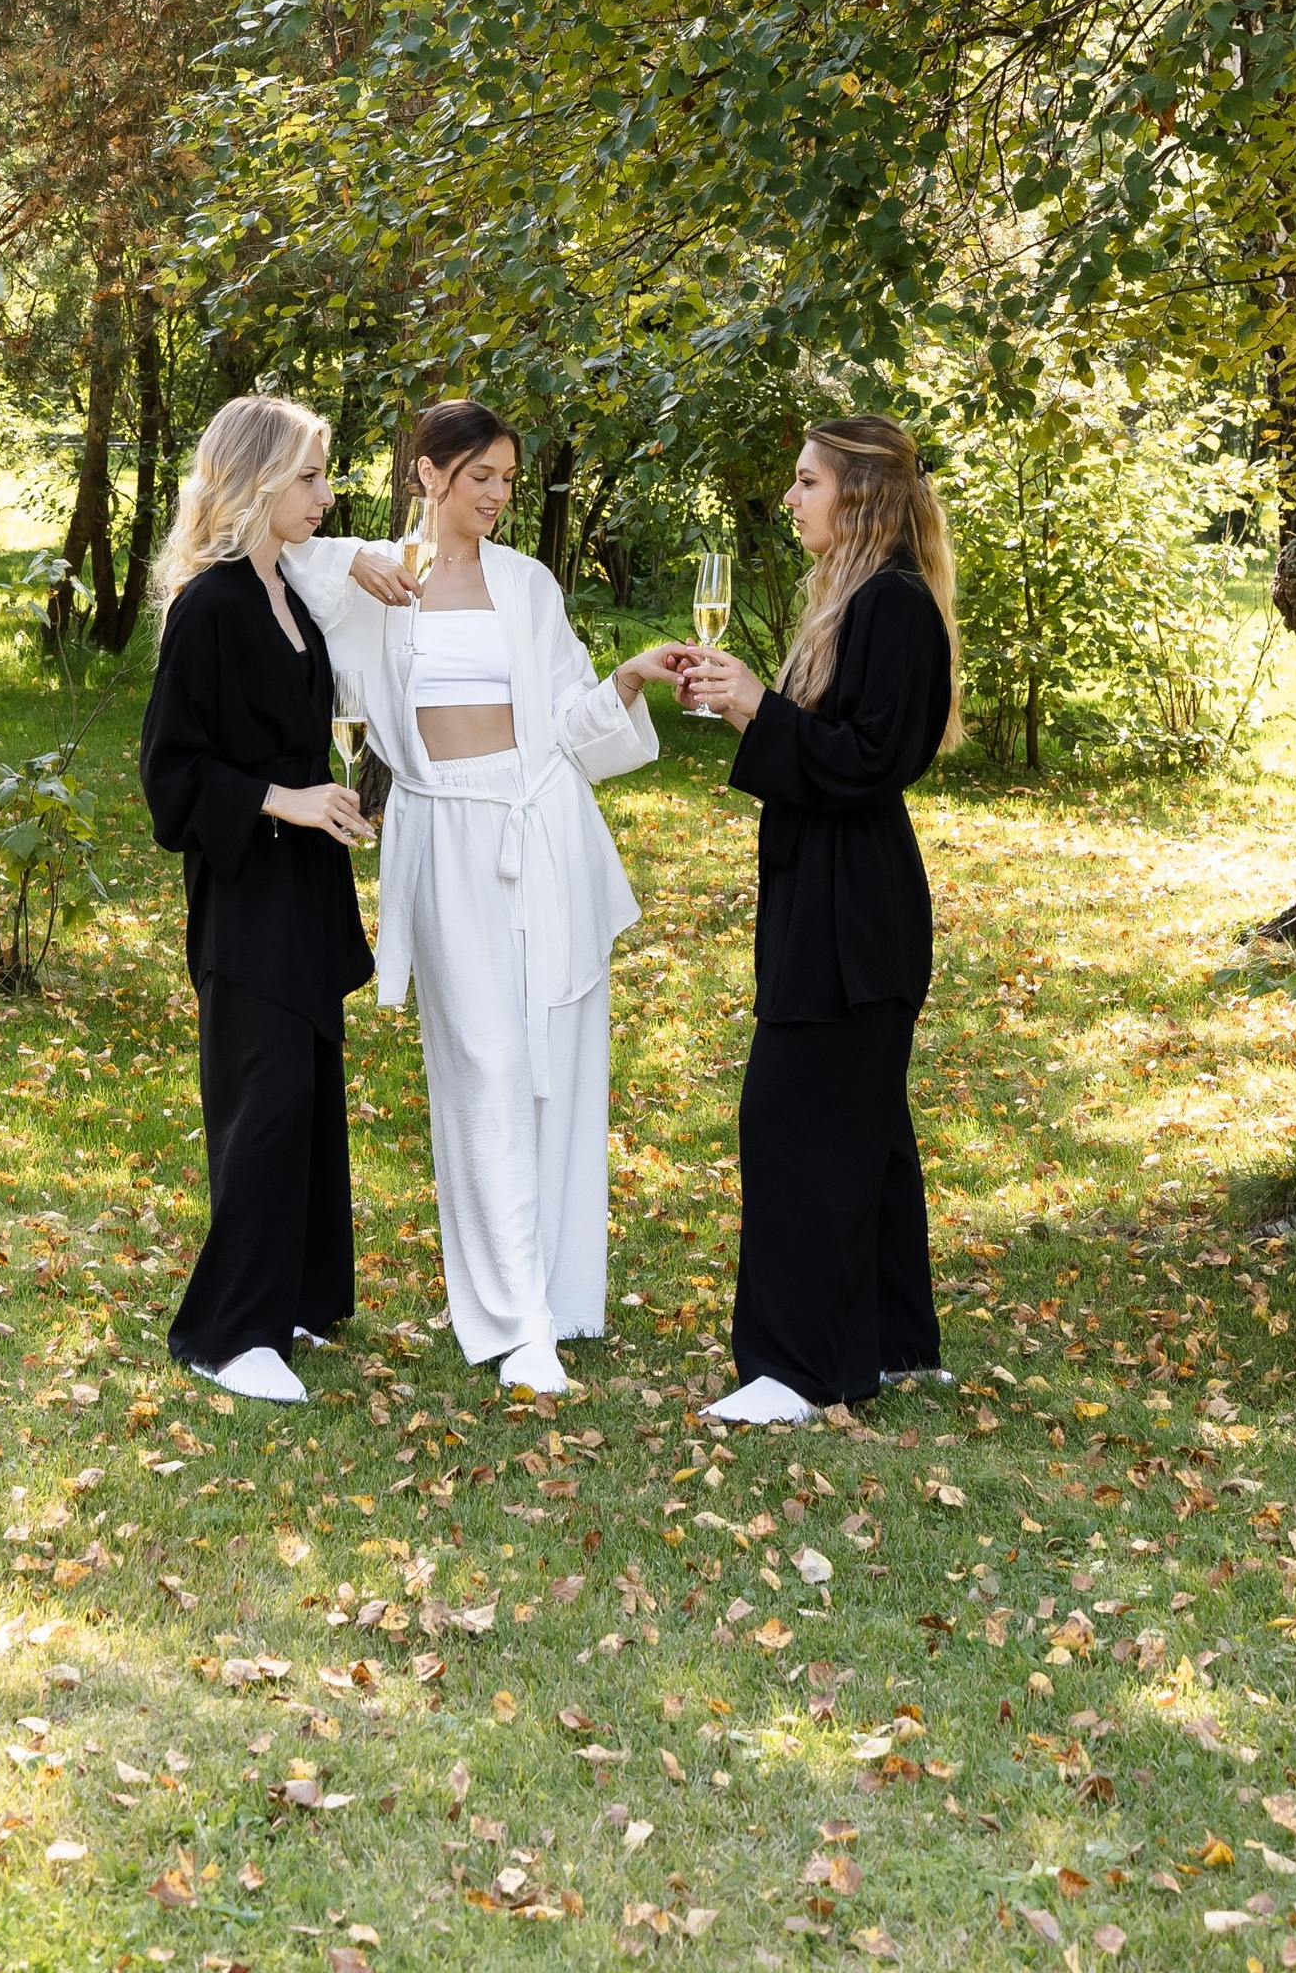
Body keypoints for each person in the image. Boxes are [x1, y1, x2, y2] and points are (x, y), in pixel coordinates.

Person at [288, 401, 691, 1400]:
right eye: (481, 478)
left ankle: (555, 1298)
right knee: (483, 1064)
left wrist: (629, 681)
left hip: (542, 828)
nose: (499, 497)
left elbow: (562, 727)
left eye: (509, 479)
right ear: (427, 473)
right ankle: (512, 1323)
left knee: (553, 1061)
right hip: (441, 838)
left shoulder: (527, 583)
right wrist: (354, 563)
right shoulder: (372, 577)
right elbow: (259, 546)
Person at [679, 411, 960, 1427]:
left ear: (861, 496)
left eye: (806, 482)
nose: (790, 498)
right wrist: (753, 708)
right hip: (832, 893)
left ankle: (795, 1372)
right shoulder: (856, 604)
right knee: (862, 1122)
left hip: (854, 909)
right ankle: (888, 1340)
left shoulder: (893, 607)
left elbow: (871, 761)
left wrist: (763, 709)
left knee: (796, 1119)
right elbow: (830, 741)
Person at [138, 393, 376, 1405]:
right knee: (264, 1102)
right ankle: (228, 1334)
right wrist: (286, 800)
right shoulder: (213, 604)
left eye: (325, 474)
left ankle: (286, 1300)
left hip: (305, 886)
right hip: (245, 895)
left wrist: (351, 795)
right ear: (258, 481)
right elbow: (170, 776)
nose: (327, 495)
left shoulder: (287, 595)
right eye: (312, 476)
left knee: (308, 1096)